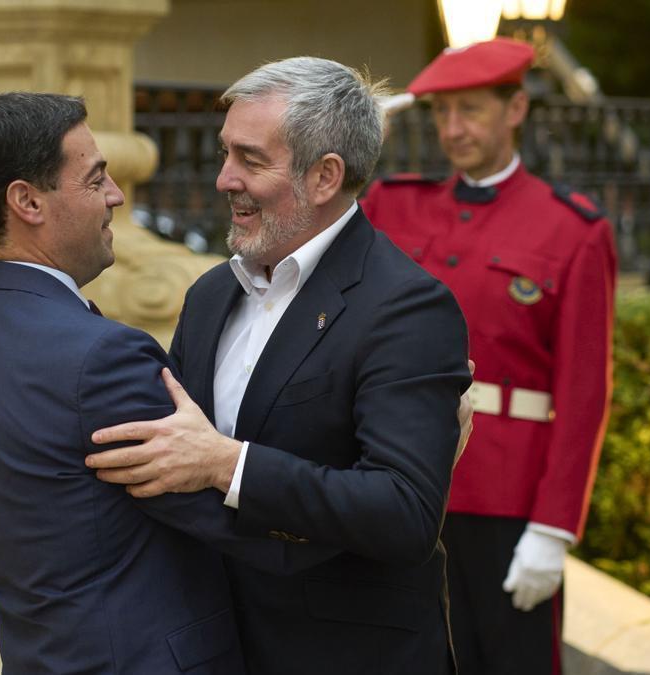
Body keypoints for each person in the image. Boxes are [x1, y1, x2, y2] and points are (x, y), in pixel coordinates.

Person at [87, 57, 474, 675]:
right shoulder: (212, 293)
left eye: (251, 160)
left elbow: (404, 512)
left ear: (325, 177)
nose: (223, 179)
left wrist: (226, 465)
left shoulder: (405, 306)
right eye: (224, 154)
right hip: (215, 644)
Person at [0, 92, 344, 674]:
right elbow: (241, 519)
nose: (116, 197)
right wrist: (393, 494)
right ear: (27, 201)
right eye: (95, 178)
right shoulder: (100, 357)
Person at [360, 38, 618, 675]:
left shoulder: (573, 230)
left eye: (471, 110)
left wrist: (555, 530)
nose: (453, 129)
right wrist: (362, 128)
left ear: (516, 109)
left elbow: (583, 392)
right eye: (442, 113)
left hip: (508, 496)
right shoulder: (395, 204)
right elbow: (316, 223)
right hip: (398, 474)